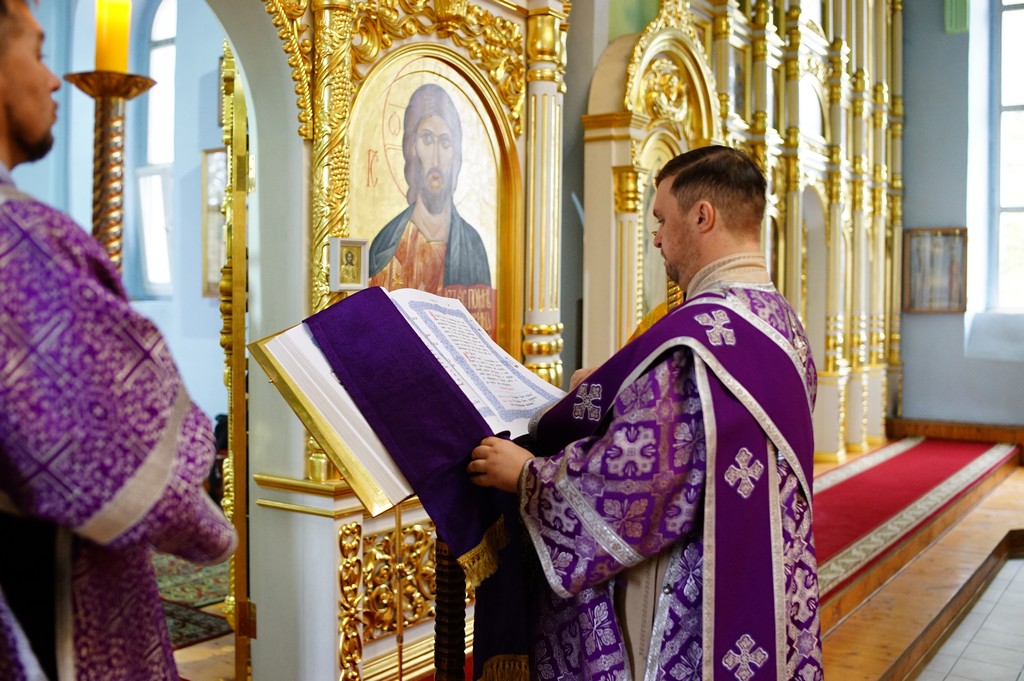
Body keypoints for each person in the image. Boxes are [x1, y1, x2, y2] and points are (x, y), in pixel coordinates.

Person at [468, 145, 822, 680]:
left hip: (697, 603)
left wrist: (526, 476)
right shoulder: (782, 323)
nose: (655, 237)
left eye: (661, 219)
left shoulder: (695, 343)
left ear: (702, 216)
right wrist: (626, 392)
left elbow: (632, 486)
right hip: (768, 581)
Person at [0, 2, 237, 680]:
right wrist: (215, 527)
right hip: (45, 600)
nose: (52, 79)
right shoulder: (23, 242)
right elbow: (125, 446)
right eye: (37, 53)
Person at [368, 83, 496, 335]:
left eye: (445, 142)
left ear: (455, 155)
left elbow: (483, 338)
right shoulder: (385, 248)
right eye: (427, 139)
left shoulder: (473, 248)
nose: (436, 158)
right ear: (412, 147)